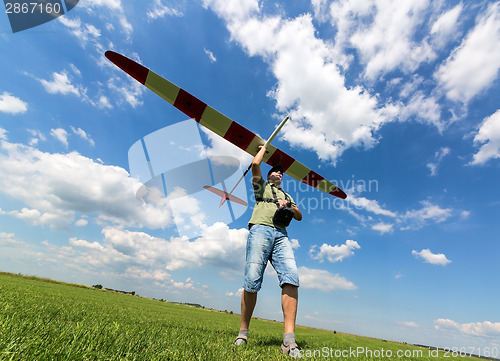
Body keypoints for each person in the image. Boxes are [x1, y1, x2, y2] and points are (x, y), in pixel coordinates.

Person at [234, 144, 303, 358]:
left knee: (291, 277)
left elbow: (299, 215)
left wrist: (288, 206)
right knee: (252, 280)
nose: (279, 174)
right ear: (269, 174)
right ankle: (243, 334)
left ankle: (289, 342)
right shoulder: (260, 186)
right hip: (260, 230)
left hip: (281, 235)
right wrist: (263, 148)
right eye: (275, 171)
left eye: (281, 173)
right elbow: (255, 164)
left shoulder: (287, 195)